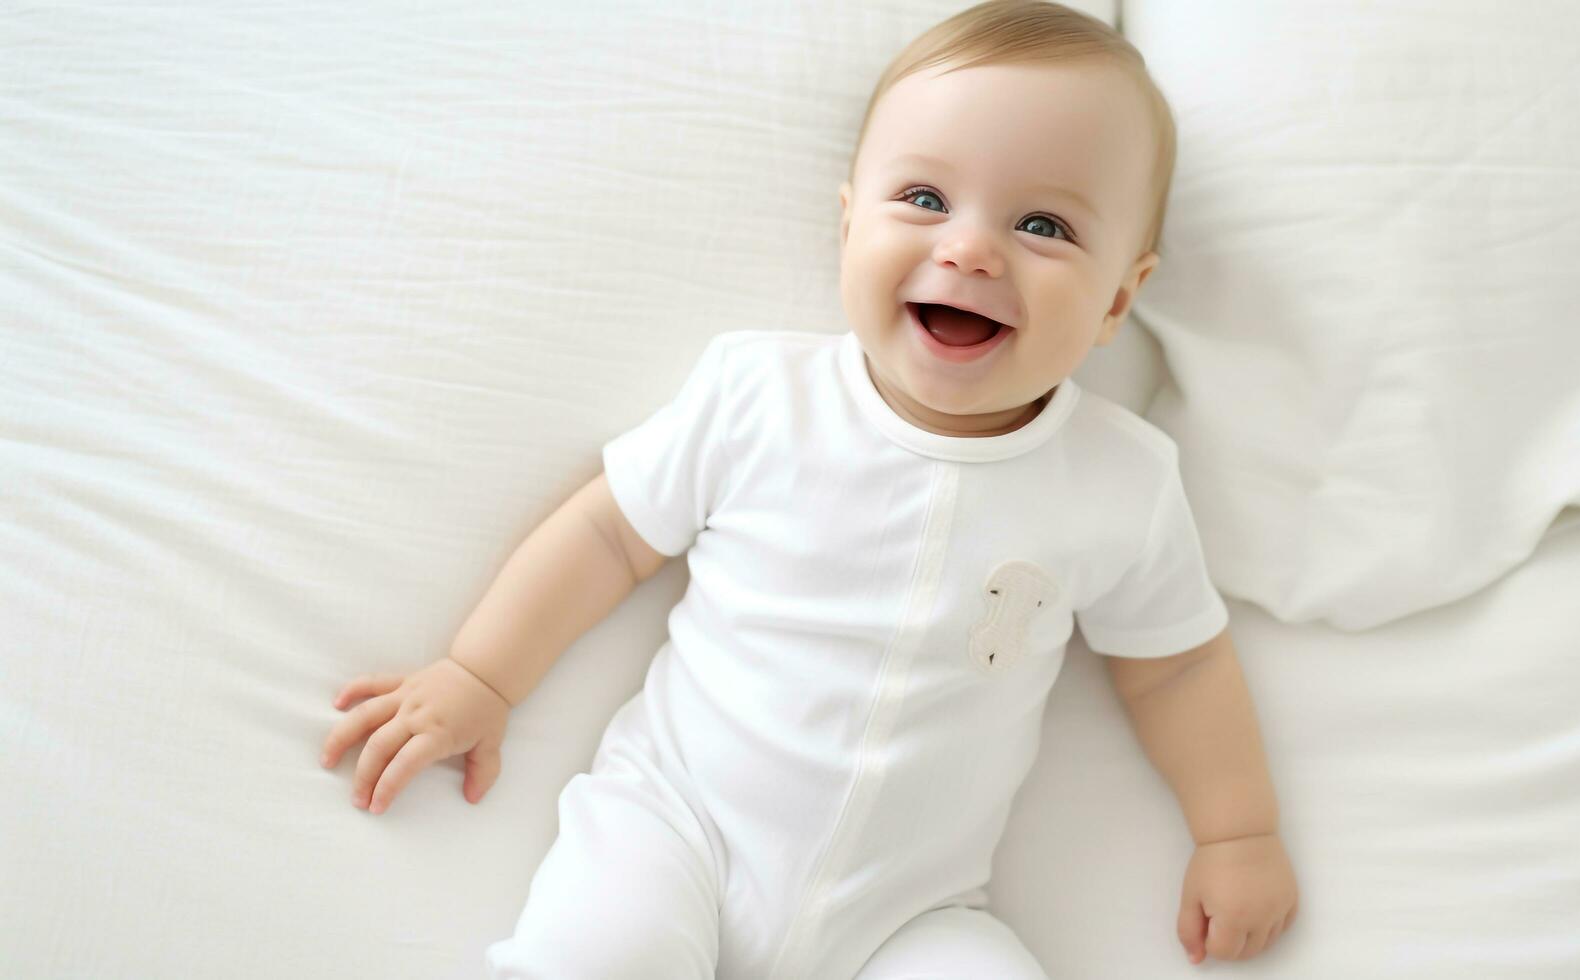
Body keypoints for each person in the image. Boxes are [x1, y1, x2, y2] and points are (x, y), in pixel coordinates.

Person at [318, 2, 1299, 975]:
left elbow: (1176, 665)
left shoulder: (1120, 480)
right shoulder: (760, 396)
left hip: (909, 910)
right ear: (847, 224)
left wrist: (1236, 831)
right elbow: (610, 534)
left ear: (1119, 298)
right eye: (922, 199)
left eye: (1043, 224)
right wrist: (482, 676)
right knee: (599, 946)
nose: (967, 249)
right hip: (676, 826)